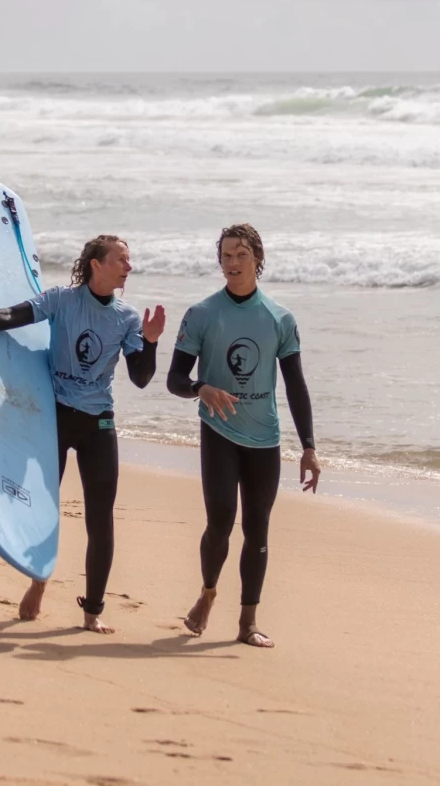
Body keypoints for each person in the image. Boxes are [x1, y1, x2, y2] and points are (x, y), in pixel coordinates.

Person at [0, 235, 165, 634]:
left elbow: (141, 378)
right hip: (55, 418)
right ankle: (39, 580)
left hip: (99, 423)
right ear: (97, 264)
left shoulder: (127, 318)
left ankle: (93, 611)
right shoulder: (62, 299)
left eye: (130, 261)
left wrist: (149, 341)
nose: (129, 266)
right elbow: (15, 316)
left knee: (101, 518)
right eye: (121, 259)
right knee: (43, 507)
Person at [166, 223, 320, 648]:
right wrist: (201, 388)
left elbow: (296, 386)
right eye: (226, 256)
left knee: (258, 529)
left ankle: (247, 622)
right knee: (220, 524)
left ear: (258, 260)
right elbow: (175, 378)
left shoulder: (279, 319)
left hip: (264, 439)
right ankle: (209, 592)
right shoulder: (201, 314)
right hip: (219, 432)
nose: (233, 263)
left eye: (241, 255)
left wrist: (309, 447)